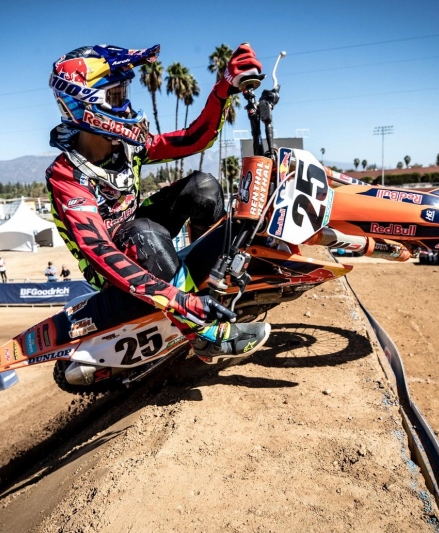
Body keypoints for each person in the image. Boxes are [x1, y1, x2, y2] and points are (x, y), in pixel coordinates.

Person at [44, 42, 270, 363]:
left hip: (138, 230)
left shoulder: (127, 146)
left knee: (202, 186)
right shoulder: (66, 176)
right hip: (108, 268)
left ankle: (214, 279)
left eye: (124, 93)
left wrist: (223, 89)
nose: (125, 106)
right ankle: (204, 335)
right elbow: (99, 250)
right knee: (142, 233)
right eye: (115, 97)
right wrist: (182, 302)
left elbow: (194, 139)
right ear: (84, 104)